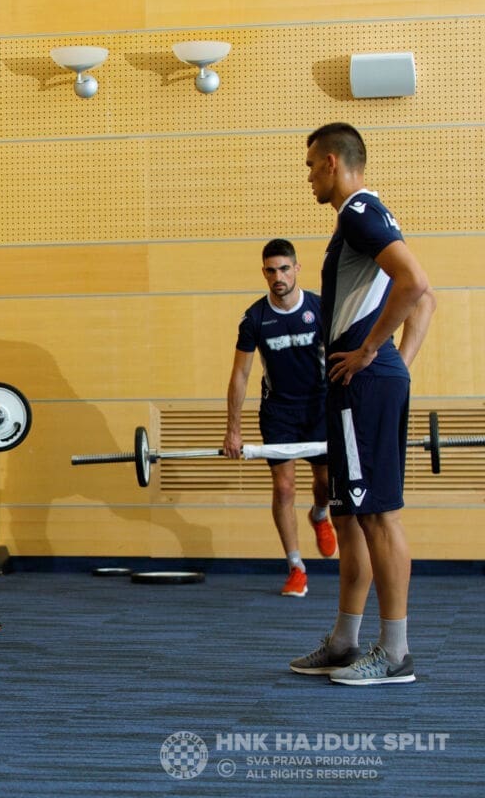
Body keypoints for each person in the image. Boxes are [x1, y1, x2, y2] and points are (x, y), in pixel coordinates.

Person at [289, 123, 435, 685]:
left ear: (331, 162)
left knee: (376, 515)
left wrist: (373, 353)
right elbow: (426, 300)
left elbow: (415, 283)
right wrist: (394, 365)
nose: (308, 177)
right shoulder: (366, 216)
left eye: (310, 166)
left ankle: (395, 653)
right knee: (350, 516)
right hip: (363, 381)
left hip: (361, 378)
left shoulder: (357, 211)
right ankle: (345, 643)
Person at [222, 238, 336, 598]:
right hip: (278, 412)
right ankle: (296, 567)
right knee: (284, 488)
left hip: (319, 407)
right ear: (264, 273)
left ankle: (320, 515)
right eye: (271, 271)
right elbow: (240, 375)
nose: (278, 277)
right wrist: (233, 431)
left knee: (326, 482)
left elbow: (341, 359)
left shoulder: (320, 308)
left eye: (285, 269)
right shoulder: (255, 318)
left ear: (297, 268)